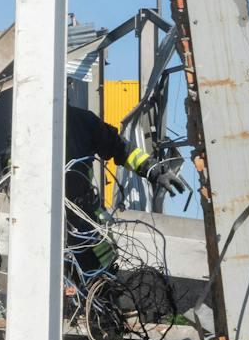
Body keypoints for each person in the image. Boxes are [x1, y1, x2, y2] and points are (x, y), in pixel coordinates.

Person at [63, 104, 187, 276]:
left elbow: (121, 148)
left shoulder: (83, 121)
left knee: (100, 275)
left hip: (83, 221)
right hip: (43, 222)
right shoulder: (29, 121)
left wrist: (156, 171)